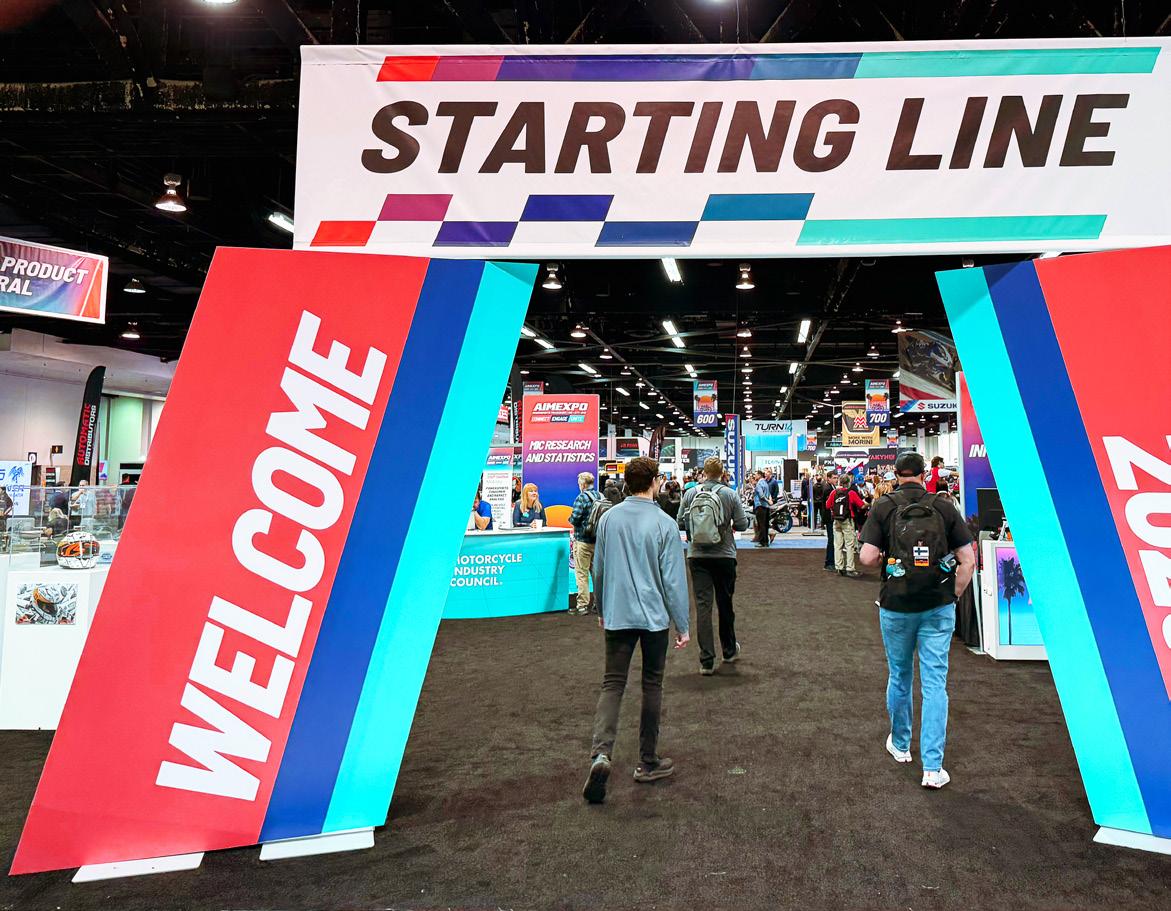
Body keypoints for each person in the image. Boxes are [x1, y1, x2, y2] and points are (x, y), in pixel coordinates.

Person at [859, 451, 976, 790]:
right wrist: (952, 595)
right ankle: (933, 768)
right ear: (924, 475)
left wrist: (886, 559)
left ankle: (900, 745)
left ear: (896, 475)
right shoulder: (944, 506)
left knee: (900, 675)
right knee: (935, 684)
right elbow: (967, 560)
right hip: (937, 605)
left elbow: (867, 557)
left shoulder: (884, 506)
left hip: (896, 605)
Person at [583, 457, 690, 804]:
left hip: (618, 614)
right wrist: (682, 625)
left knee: (612, 684)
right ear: (655, 482)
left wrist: (601, 607)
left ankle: (601, 754)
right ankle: (647, 761)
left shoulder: (609, 518)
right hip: (654, 619)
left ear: (628, 482)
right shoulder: (664, 523)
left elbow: (598, 569)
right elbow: (673, 581)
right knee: (652, 685)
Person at [679, 456, 749, 676]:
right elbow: (742, 524)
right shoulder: (729, 494)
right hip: (724, 555)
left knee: (703, 607)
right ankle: (729, 650)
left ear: (704, 472)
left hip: (697, 556)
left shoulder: (690, 493)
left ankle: (706, 661)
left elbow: (680, 521)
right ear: (722, 473)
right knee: (725, 603)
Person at [568, 471, 603, 616]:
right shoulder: (601, 496)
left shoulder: (581, 497)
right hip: (598, 541)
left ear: (582, 484)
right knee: (597, 575)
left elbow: (575, 518)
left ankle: (582, 605)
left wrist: (570, 519)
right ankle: (598, 604)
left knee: (582, 574)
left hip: (582, 540)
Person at [826, 474, 866, 577]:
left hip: (836, 520)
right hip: (847, 520)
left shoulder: (834, 492)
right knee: (849, 545)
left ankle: (839, 567)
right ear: (848, 483)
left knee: (837, 545)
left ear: (839, 482)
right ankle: (850, 568)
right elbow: (861, 505)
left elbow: (827, 505)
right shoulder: (851, 493)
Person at [752, 470, 772, 548]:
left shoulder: (759, 484)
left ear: (759, 475)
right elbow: (769, 494)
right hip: (766, 507)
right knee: (765, 525)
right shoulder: (765, 483)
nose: (755, 476)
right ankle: (766, 542)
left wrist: (768, 501)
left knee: (761, 525)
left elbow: (761, 495)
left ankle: (762, 542)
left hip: (760, 506)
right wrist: (770, 500)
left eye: (756, 475)